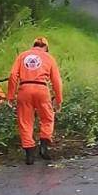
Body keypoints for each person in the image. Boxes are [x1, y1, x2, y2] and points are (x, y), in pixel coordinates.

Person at [8, 37, 63, 165]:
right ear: (46, 47)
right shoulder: (49, 58)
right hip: (42, 89)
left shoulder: (22, 56)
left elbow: (12, 76)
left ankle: (29, 155)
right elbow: (56, 81)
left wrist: (10, 96)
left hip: (24, 89)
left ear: (33, 45)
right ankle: (44, 146)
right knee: (47, 118)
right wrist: (59, 100)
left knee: (25, 121)